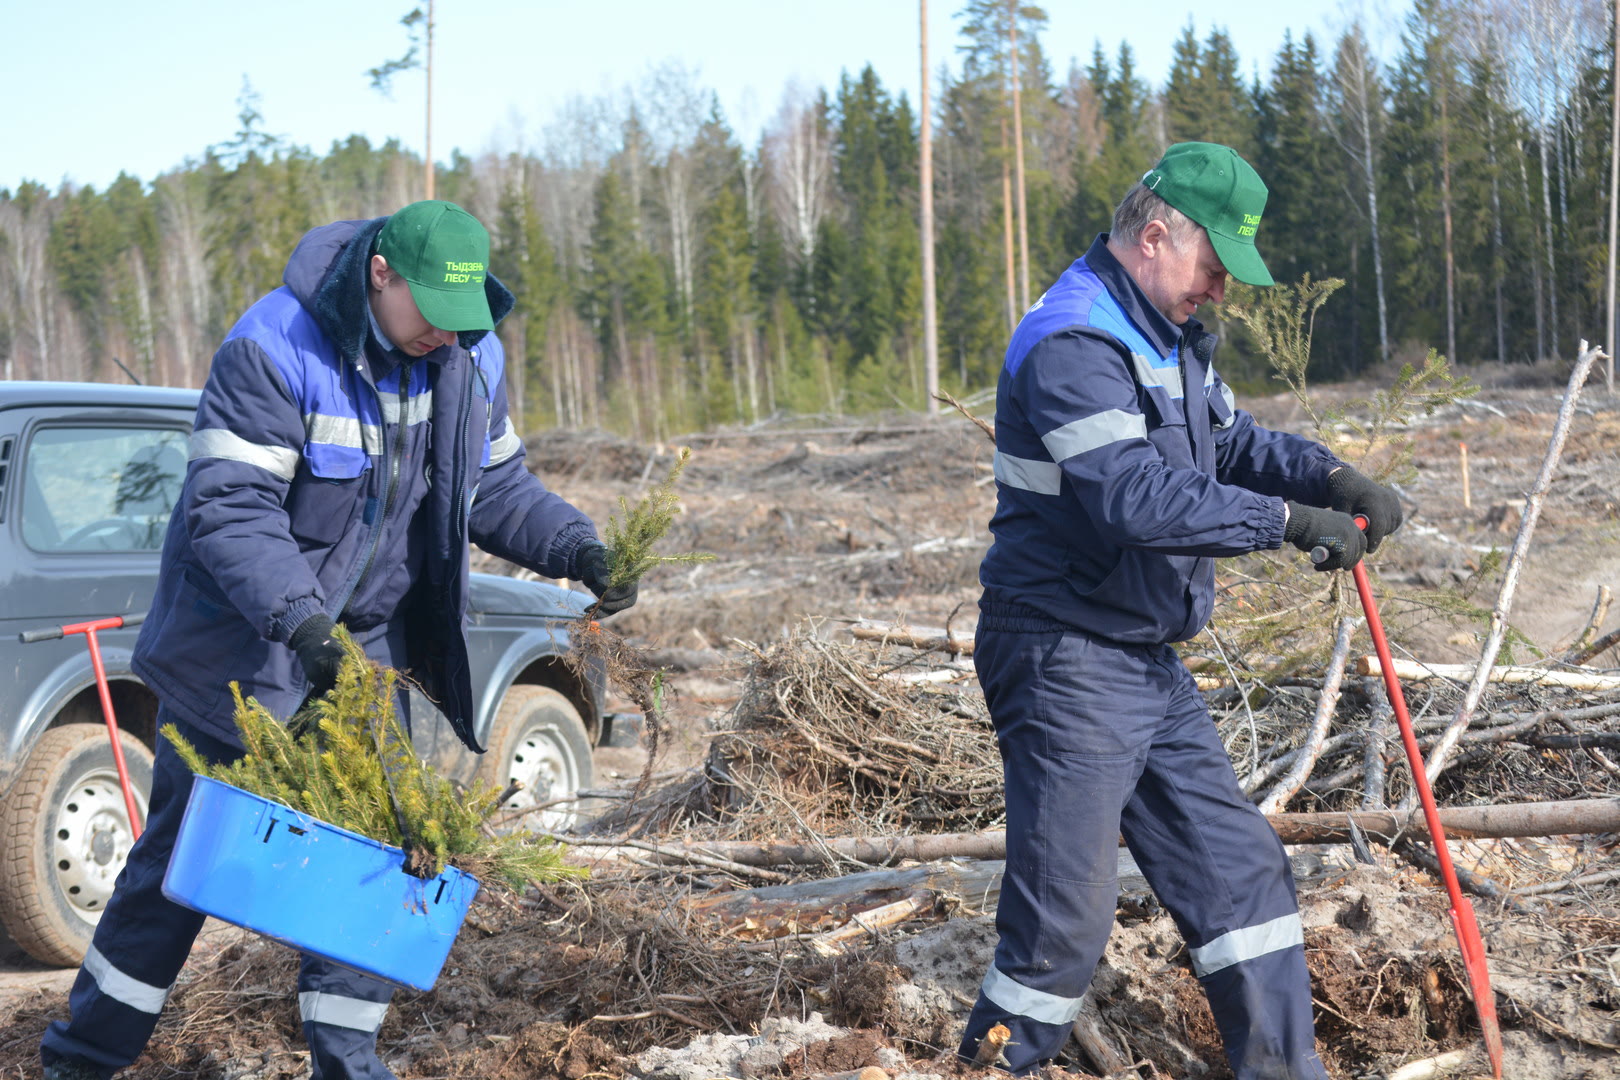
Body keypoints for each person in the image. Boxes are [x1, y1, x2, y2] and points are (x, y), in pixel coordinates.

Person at [41, 200, 636, 1080]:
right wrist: (300, 623)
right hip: (241, 654)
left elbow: (497, 488)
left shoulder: (470, 354)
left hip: (364, 662)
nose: (446, 331)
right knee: (178, 869)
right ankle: (81, 1060)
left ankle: (348, 1066)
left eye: (463, 316)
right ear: (380, 273)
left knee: (376, 858)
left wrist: (579, 546)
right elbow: (229, 513)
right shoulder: (275, 346)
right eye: (430, 309)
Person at [957, 142, 1403, 1078]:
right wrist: (1287, 520)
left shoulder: (1164, 335)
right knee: (1060, 930)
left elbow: (1229, 441)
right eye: (1213, 268)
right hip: (1064, 654)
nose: (1220, 292)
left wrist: (1329, 474)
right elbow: (1132, 498)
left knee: (1240, 874)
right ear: (1155, 236)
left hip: (1141, 658)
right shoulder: (1076, 340)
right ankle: (990, 1067)